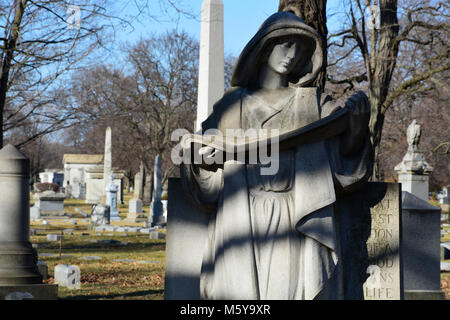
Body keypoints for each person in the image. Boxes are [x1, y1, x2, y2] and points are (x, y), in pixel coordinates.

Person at [181, 11, 372, 300]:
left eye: (300, 49)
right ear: (264, 48)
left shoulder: (316, 105)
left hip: (293, 215)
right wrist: (202, 160)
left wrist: (356, 130)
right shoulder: (233, 106)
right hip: (241, 215)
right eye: (285, 45)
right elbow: (202, 161)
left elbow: (343, 169)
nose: (292, 55)